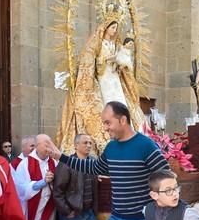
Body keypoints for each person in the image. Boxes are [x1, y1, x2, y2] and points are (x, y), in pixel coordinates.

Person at [57, 19, 146, 154]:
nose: (114, 31)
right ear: (105, 28)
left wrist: (120, 61)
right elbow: (89, 62)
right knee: (107, 105)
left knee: (122, 105)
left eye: (116, 28)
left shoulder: (115, 45)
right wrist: (103, 60)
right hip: (103, 80)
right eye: (112, 28)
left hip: (115, 80)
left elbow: (124, 62)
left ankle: (128, 134)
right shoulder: (96, 44)